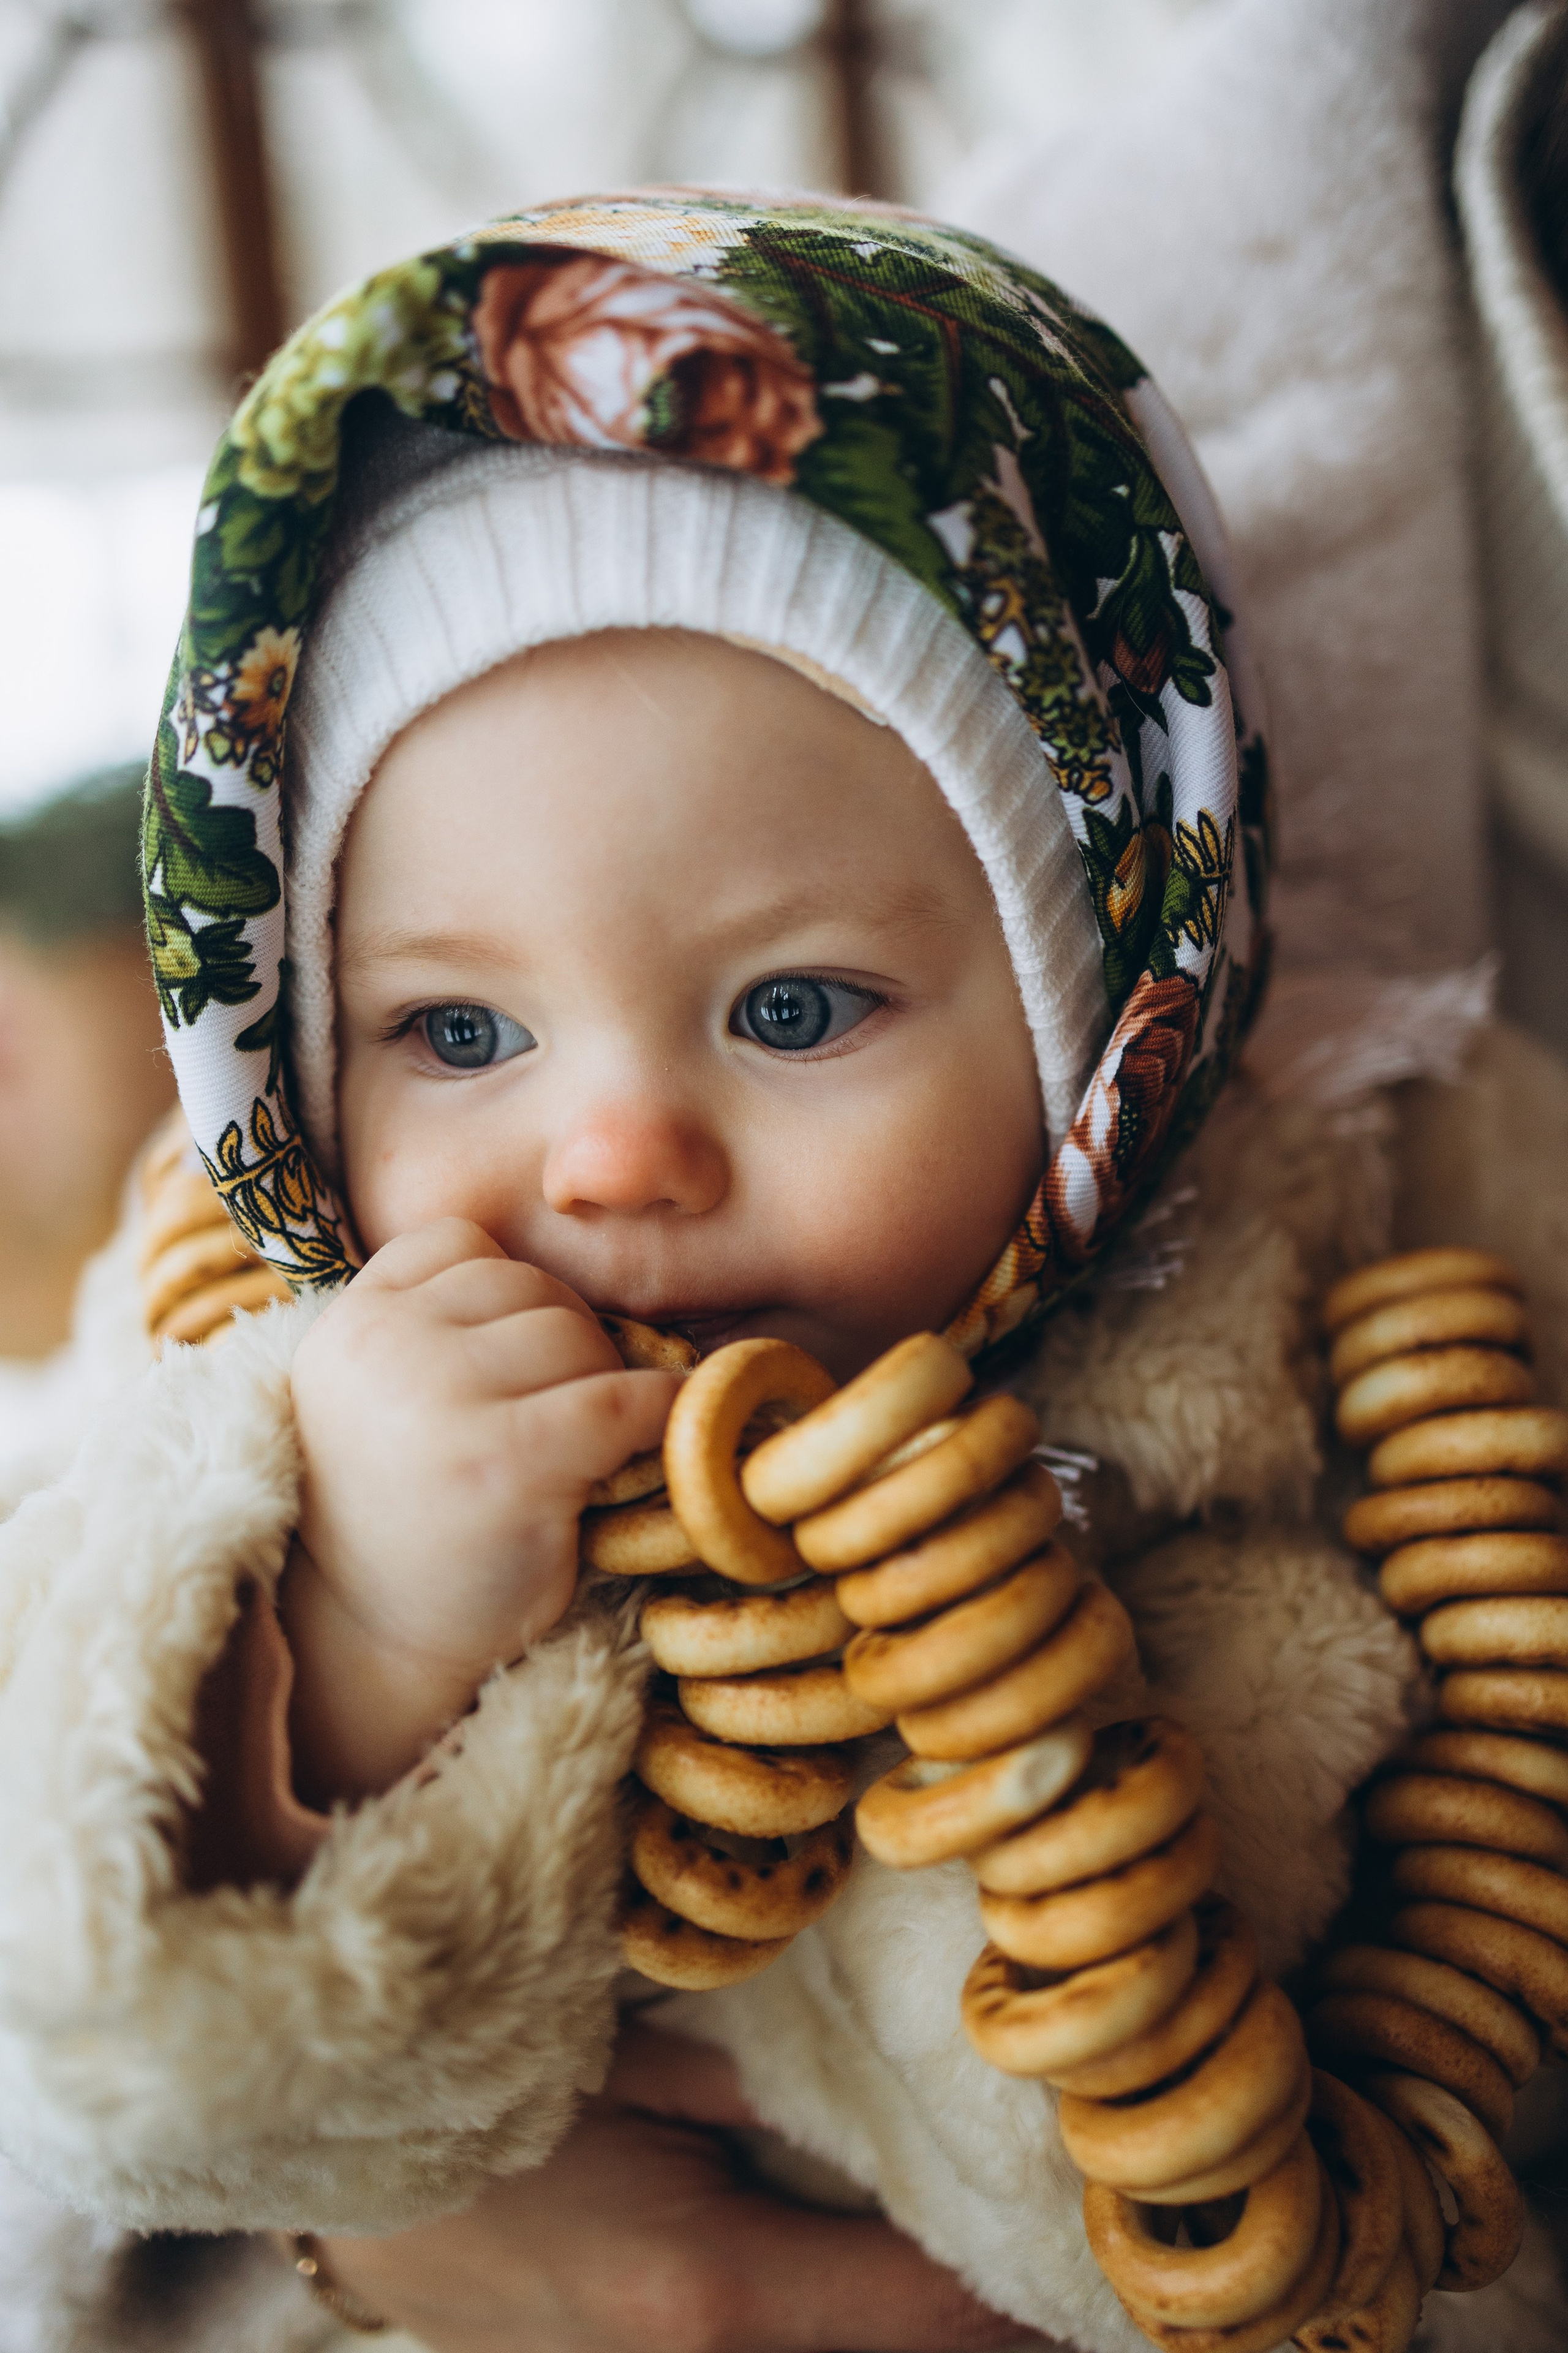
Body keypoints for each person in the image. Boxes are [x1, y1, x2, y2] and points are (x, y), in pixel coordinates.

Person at [0, 189, 1545, 2353]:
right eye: (459, 1034)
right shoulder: (249, 1363)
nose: (616, 1154)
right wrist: (356, 1625)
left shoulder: (1318, 1266)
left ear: (1104, 1037)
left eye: (798, 1009)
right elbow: (87, 1983)